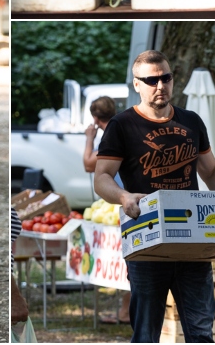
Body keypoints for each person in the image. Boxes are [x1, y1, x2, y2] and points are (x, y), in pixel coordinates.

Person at [94, 50, 215, 343]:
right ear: (137, 85)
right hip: (147, 241)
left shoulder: (191, 121)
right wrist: (123, 197)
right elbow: (102, 178)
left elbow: (211, 171)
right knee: (146, 335)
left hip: (192, 242)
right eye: (151, 80)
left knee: (201, 333)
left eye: (166, 78)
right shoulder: (122, 125)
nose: (160, 86)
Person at [80, 95, 131, 325]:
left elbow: (89, 164)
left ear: (95, 118)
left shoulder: (110, 132)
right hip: (124, 196)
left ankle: (126, 311)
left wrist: (89, 138)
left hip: (121, 198)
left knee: (129, 258)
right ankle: (125, 309)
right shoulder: (121, 127)